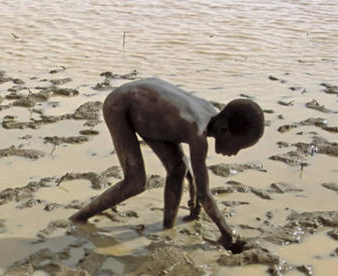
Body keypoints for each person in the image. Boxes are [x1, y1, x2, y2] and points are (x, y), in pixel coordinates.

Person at [70, 78, 264, 254]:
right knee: (135, 182)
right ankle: (79, 218)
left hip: (149, 112)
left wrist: (191, 183)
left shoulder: (211, 114)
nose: (234, 153)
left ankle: (167, 227)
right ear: (223, 129)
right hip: (121, 106)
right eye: (237, 146)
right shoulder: (197, 132)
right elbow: (204, 194)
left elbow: (192, 171)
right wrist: (225, 232)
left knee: (178, 169)